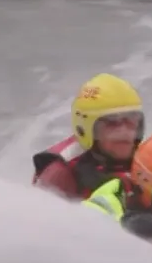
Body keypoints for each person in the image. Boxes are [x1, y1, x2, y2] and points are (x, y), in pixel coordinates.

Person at [32, 73, 145, 201]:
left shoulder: (148, 161)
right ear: (85, 128)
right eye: (112, 122)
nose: (125, 131)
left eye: (132, 121)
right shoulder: (60, 174)